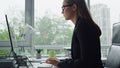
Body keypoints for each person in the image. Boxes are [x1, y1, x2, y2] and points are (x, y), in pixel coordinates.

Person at [46, 0, 104, 68]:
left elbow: (85, 63)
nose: (62, 12)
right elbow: (80, 59)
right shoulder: (81, 24)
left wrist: (60, 64)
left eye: (63, 8)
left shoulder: (83, 26)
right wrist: (60, 62)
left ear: (74, 7)